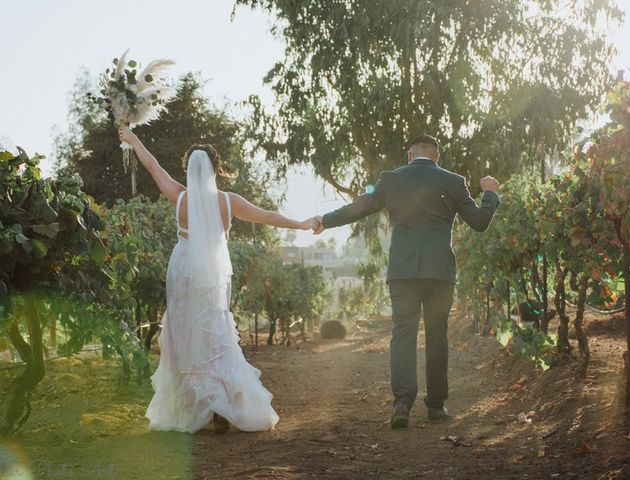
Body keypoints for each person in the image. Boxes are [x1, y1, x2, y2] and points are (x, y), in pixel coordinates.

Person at [117, 126, 320, 434]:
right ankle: (220, 402)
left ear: (188, 168)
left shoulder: (179, 198)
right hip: (212, 275)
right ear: (216, 168)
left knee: (185, 333)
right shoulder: (228, 202)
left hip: (183, 269)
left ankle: (194, 405)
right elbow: (268, 216)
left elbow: (152, 165)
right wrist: (302, 224)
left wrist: (132, 139)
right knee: (214, 333)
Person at [313, 135, 501, 428]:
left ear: (410, 156)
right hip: (440, 272)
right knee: (437, 336)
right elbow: (479, 222)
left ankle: (402, 403)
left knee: (403, 334)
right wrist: (489, 192)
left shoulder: (391, 179)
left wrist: (325, 220)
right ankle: (436, 406)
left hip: (403, 271)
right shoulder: (454, 181)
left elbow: (359, 207)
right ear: (436, 157)